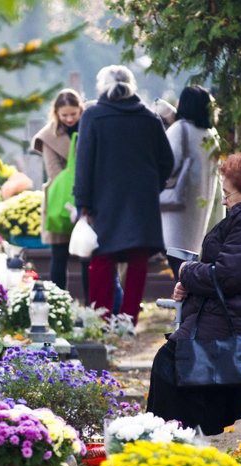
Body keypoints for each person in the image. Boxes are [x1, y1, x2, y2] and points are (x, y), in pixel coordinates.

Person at [147, 150, 241, 436]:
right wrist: (190, 284)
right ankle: (175, 438)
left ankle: (173, 439)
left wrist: (186, 271)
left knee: (171, 361)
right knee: (171, 357)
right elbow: (230, 274)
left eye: (228, 194)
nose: (224, 201)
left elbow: (224, 277)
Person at [74, 65, 174, 323]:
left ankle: (101, 320)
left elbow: (83, 163)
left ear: (102, 87)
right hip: (142, 201)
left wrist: (82, 202)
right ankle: (129, 320)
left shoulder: (93, 116)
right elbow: (167, 161)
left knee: (101, 259)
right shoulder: (149, 118)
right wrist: (153, 186)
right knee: (137, 261)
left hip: (103, 200)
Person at [161, 86, 223, 282]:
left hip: (178, 209)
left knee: (179, 264)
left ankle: (185, 301)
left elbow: (166, 165)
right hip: (203, 210)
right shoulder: (212, 134)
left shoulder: (180, 129)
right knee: (191, 266)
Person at [31, 88, 85, 291]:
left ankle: (92, 304)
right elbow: (54, 172)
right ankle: (58, 301)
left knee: (87, 255)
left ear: (80, 110)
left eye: (73, 114)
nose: (69, 119)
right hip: (60, 199)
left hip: (86, 198)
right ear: (56, 113)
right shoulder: (49, 136)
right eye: (64, 115)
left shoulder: (90, 129)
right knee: (59, 255)